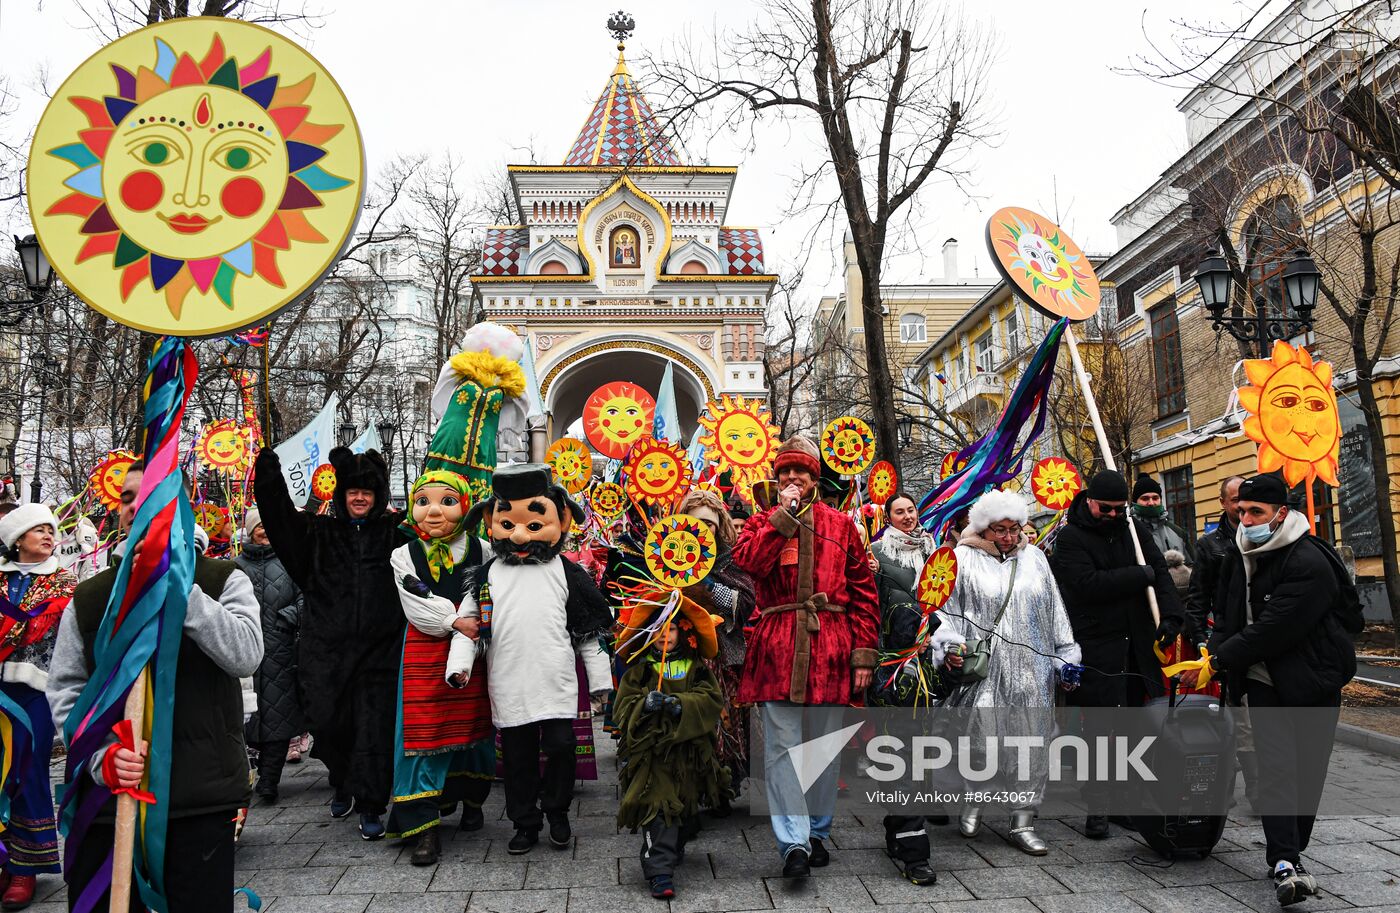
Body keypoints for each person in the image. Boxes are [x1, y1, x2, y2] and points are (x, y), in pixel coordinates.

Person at [48, 459, 263, 912]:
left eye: (149, 497)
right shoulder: (88, 599)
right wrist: (101, 755)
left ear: (179, 507)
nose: (135, 507)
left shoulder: (223, 580)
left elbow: (246, 654)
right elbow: (66, 689)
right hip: (110, 803)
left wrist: (180, 593)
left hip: (197, 798)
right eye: (127, 498)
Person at [1191, 473, 1356, 906]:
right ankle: (1285, 860)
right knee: (1278, 768)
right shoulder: (1237, 554)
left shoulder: (1309, 560)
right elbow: (1228, 614)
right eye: (1241, 511)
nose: (1245, 520)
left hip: (1313, 682)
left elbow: (1274, 627)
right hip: (1264, 681)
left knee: (1308, 772)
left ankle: (1292, 849)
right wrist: (1215, 652)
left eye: (1255, 512)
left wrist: (1218, 661)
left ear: (1281, 513)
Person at [444, 464, 613, 855]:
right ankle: (524, 822)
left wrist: (602, 682)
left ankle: (557, 812)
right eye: (509, 524)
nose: (519, 535)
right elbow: (468, 627)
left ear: (561, 520)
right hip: (508, 682)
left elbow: (589, 632)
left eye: (534, 526)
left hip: (555, 683)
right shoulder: (486, 576)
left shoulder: (568, 573)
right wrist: (459, 666)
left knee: (561, 747)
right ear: (492, 522)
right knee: (517, 758)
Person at [732, 436, 879, 879]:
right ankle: (793, 842)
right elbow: (751, 564)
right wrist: (783, 519)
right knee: (781, 750)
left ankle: (817, 831)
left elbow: (864, 595)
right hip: (778, 648)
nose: (793, 478)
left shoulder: (841, 525)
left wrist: (864, 656)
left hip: (832, 648)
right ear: (776, 480)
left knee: (823, 750)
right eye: (786, 473)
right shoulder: (760, 522)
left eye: (802, 472)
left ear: (816, 476)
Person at [253, 445, 405, 839]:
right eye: (353, 490)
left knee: (373, 727)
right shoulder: (318, 534)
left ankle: (372, 803)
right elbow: (280, 521)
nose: (359, 497)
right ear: (341, 494)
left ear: (378, 497)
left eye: (367, 492)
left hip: (380, 652)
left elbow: (440, 517)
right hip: (326, 652)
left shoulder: (395, 535)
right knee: (330, 724)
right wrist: (269, 476)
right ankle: (342, 778)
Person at [935, 490, 1080, 855]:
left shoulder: (1035, 560)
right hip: (983, 670)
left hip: (1032, 674)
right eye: (1000, 530)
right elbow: (944, 610)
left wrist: (1065, 656)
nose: (1009, 537)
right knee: (980, 741)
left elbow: (1054, 610)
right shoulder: (960, 559)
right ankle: (975, 799)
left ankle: (1022, 819)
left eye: (1015, 529)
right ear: (983, 529)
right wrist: (949, 645)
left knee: (1032, 744)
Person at [1050, 469, 1184, 840]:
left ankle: (1128, 800)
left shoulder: (1133, 531)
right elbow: (1085, 585)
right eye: (1105, 509)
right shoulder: (1072, 538)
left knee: (1139, 727)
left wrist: (1172, 616)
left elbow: (1159, 573)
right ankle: (1098, 804)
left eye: (1118, 509)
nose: (1111, 515)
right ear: (1090, 501)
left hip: (1139, 646)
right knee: (1099, 731)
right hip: (1098, 648)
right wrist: (1137, 576)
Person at [387, 471, 494, 866]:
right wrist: (454, 621)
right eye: (423, 501)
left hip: (472, 650)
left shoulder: (484, 550)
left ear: (465, 506)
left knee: (475, 727)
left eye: (447, 501)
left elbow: (485, 592)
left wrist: (470, 625)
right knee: (422, 734)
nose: (433, 510)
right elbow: (416, 605)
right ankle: (424, 827)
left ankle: (472, 801)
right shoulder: (404, 555)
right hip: (425, 649)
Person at [613, 586, 727, 900]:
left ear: (683, 631)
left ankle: (674, 843)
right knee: (658, 807)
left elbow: (712, 699)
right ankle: (659, 871)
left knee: (685, 808)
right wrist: (644, 705)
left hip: (688, 753)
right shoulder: (640, 668)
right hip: (652, 755)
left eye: (672, 629)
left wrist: (682, 705)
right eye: (659, 630)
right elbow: (622, 706)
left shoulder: (696, 666)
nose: (665, 636)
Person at [0, 504, 77, 908]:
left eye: (52, 530)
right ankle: (3, 861)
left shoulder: (64, 584)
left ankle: (25, 867)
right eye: (39, 529)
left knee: (26, 771)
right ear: (17, 539)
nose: (49, 536)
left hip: (36, 693)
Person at [866, 491, 939, 885]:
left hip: (930, 669)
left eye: (911, 509)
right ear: (888, 516)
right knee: (901, 756)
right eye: (899, 511)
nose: (908, 516)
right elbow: (870, 609)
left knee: (921, 757)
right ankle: (915, 855)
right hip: (892, 670)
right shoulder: (876, 553)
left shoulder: (934, 550)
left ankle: (900, 828)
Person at [674, 488, 756, 816]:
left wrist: (706, 584)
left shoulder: (730, 558)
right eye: (696, 523)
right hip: (683, 650)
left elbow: (744, 603)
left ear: (719, 524)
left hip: (723, 652)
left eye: (709, 523)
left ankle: (723, 784)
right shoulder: (669, 555)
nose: (703, 530)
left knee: (727, 722)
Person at [235, 508, 304, 805]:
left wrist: (291, 616)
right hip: (245, 651)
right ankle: (257, 770)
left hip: (281, 649)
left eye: (268, 525)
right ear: (250, 531)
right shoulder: (235, 566)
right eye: (258, 526)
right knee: (248, 717)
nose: (264, 531)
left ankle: (270, 780)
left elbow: (306, 595)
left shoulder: (291, 560)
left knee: (279, 716)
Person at [1132, 475, 1194, 564]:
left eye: (1155, 498)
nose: (1151, 503)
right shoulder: (1128, 531)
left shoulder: (1178, 533)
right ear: (1135, 502)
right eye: (1145, 498)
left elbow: (1193, 567)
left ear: (1160, 500)